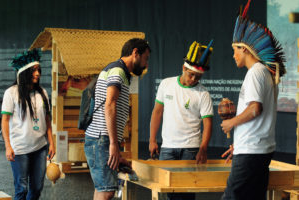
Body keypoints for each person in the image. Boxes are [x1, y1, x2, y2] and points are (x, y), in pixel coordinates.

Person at [221, 1, 286, 200]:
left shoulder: (256, 73)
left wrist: (231, 123)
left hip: (252, 152)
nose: (233, 55)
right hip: (255, 150)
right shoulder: (263, 73)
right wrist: (239, 146)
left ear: (245, 49)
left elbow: (255, 109)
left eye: (235, 50)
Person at [84, 38, 151, 200]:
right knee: (107, 191)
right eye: (145, 59)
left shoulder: (117, 71)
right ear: (135, 53)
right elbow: (110, 105)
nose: (146, 65)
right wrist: (113, 144)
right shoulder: (117, 71)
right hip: (102, 138)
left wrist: (117, 151)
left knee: (102, 189)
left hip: (102, 139)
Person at [149, 40, 214, 200]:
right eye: (191, 74)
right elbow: (157, 112)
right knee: (165, 190)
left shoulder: (203, 93)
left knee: (186, 192)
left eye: (198, 77)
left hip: (190, 148)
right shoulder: (166, 84)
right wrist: (152, 140)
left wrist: (203, 148)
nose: (193, 79)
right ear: (183, 68)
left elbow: (208, 123)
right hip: (167, 147)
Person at [1, 49, 55, 200]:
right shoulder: (11, 93)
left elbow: (47, 120)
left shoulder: (43, 93)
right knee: (22, 189)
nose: (37, 73)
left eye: (38, 70)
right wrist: (8, 146)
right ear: (24, 73)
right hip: (19, 149)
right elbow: (4, 121)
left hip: (39, 148)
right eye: (33, 70)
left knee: (37, 188)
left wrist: (51, 142)